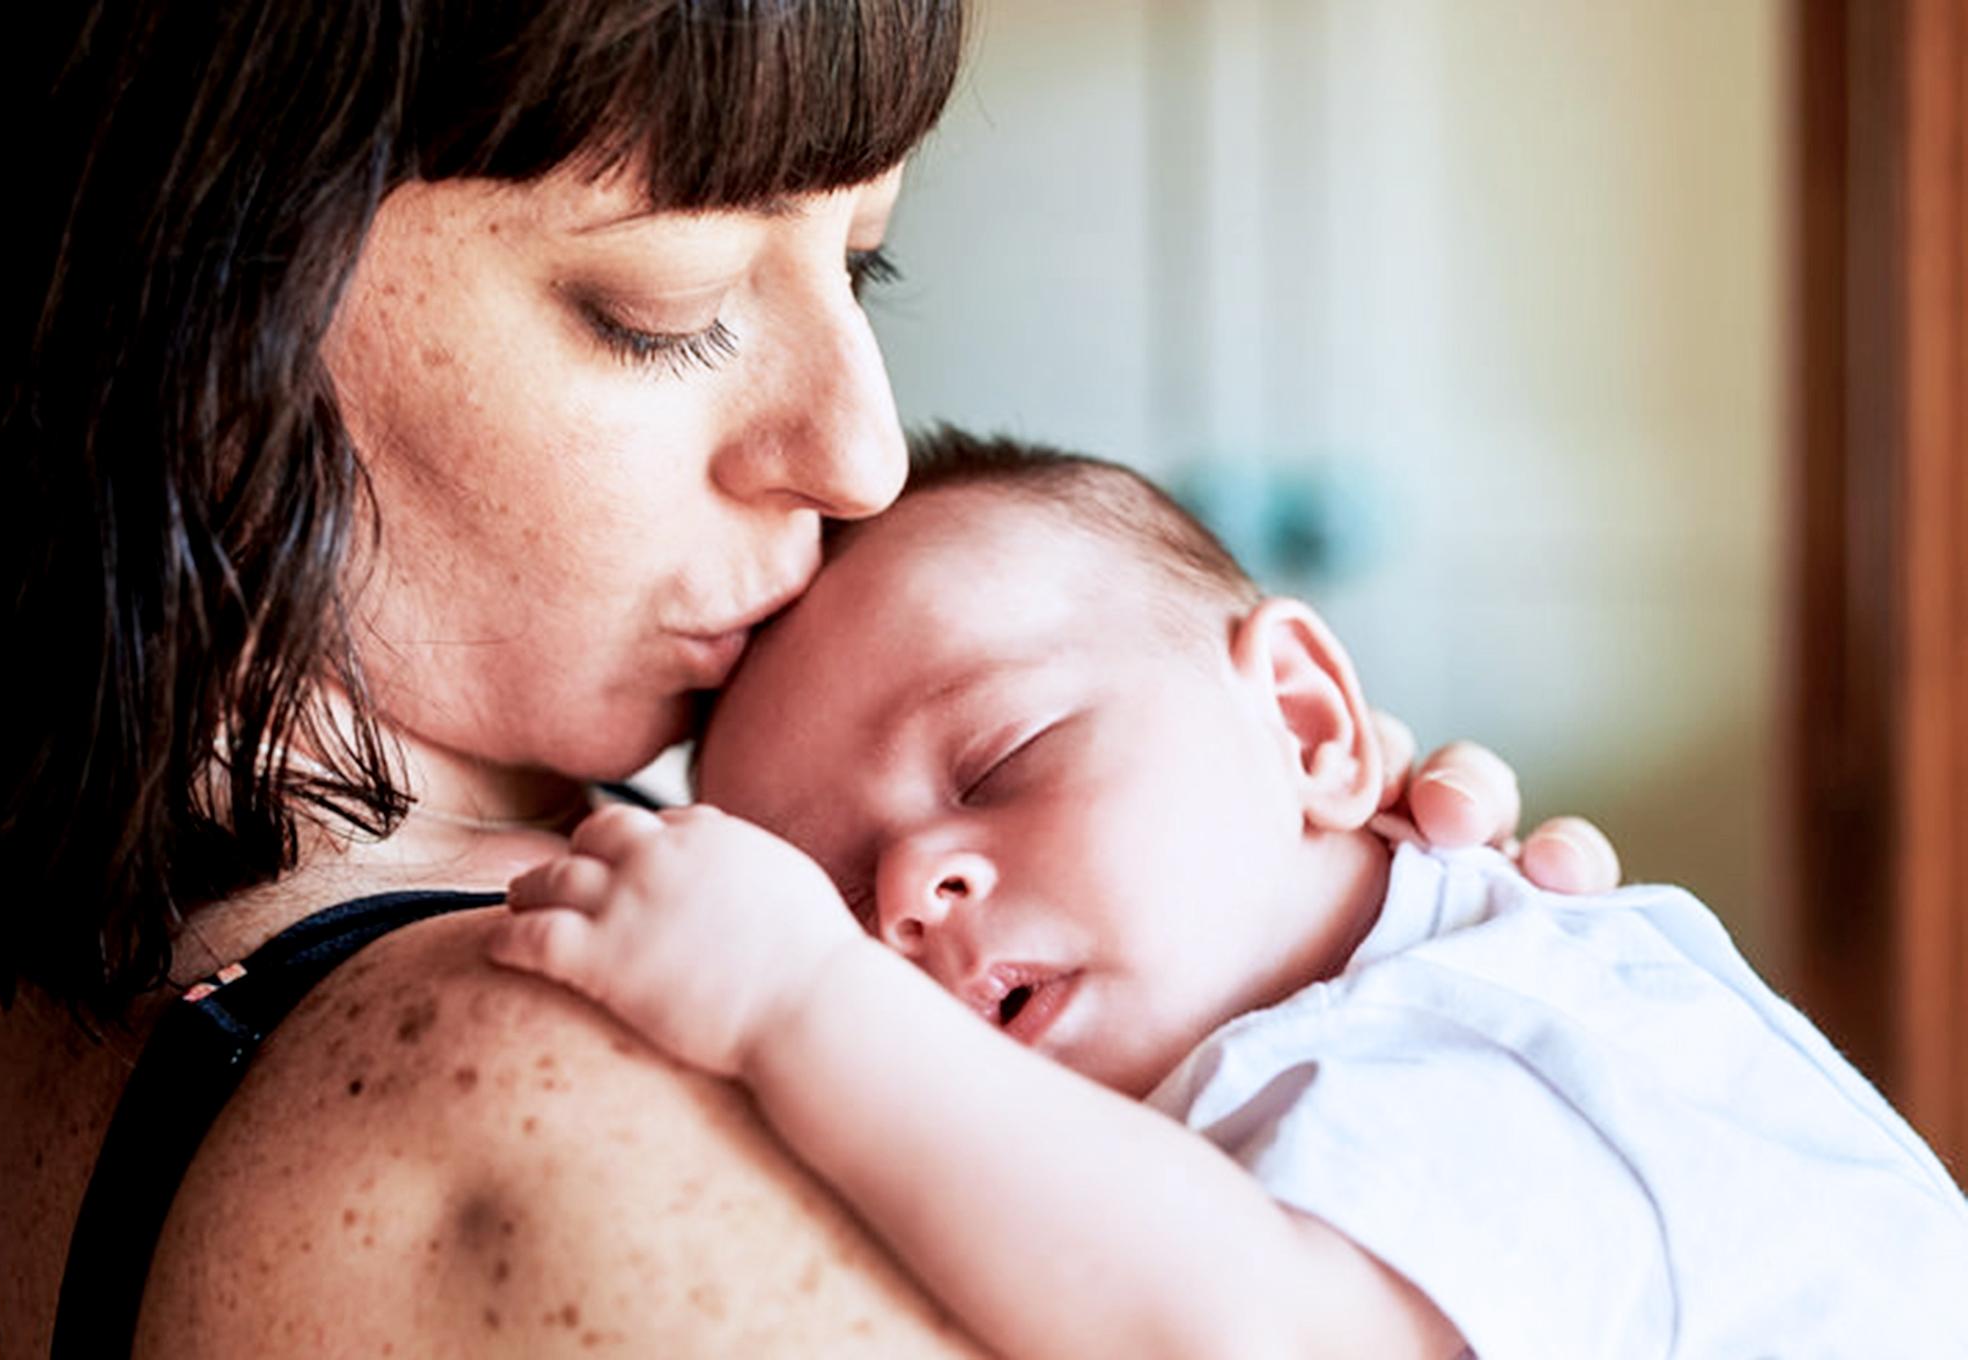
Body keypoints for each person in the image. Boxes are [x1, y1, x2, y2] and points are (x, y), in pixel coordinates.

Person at [0, 3, 1625, 1355]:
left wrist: (1340, 1007)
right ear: (176, 317)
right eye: (663, 307)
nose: (861, 447)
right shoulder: (531, 1091)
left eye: (864, 265)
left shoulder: (313, 898)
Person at [492, 432, 1968, 1359]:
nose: (906, 894)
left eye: (997, 764)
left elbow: (1243, 1330)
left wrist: (794, 997)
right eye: (821, 900)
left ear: (1313, 726)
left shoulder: (1457, 1048)